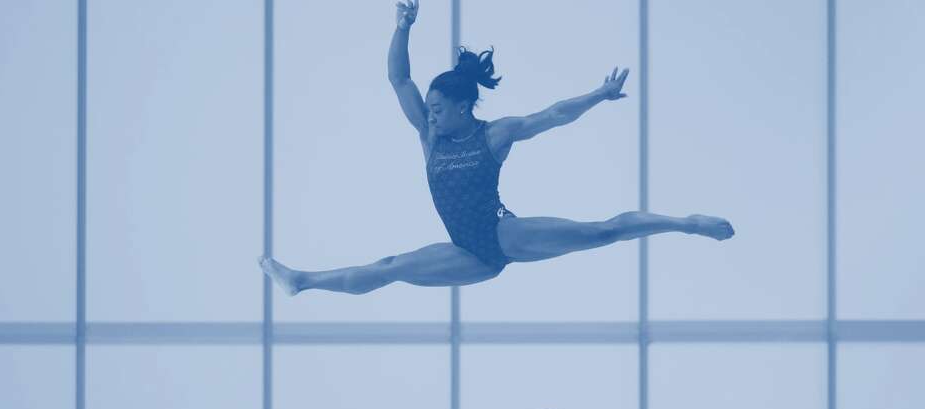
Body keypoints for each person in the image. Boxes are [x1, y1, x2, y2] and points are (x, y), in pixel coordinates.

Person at [258, 0, 734, 296]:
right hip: (466, 256)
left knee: (599, 232)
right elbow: (399, 78)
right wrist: (403, 25)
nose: (431, 114)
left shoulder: (493, 135)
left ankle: (688, 224)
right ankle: (301, 282)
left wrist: (597, 95)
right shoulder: (429, 137)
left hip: (503, 234)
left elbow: (550, 116)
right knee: (389, 268)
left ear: (464, 107)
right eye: (430, 107)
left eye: (439, 107)